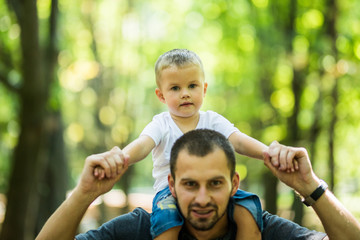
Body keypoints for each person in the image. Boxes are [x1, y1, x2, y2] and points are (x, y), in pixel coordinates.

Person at [94, 49, 295, 240]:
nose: (185, 93)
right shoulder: (161, 124)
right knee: (167, 222)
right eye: (175, 88)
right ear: (161, 95)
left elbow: (240, 141)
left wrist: (269, 153)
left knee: (248, 207)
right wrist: (120, 158)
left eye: (192, 86)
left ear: (204, 88)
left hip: (212, 187)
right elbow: (143, 145)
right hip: (169, 192)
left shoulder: (213, 120)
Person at [36, 129, 360, 240]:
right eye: (190, 184)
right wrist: (84, 194)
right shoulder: (140, 229)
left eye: (215, 183)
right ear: (171, 185)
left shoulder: (261, 229)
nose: (202, 198)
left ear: (235, 184)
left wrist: (310, 186)